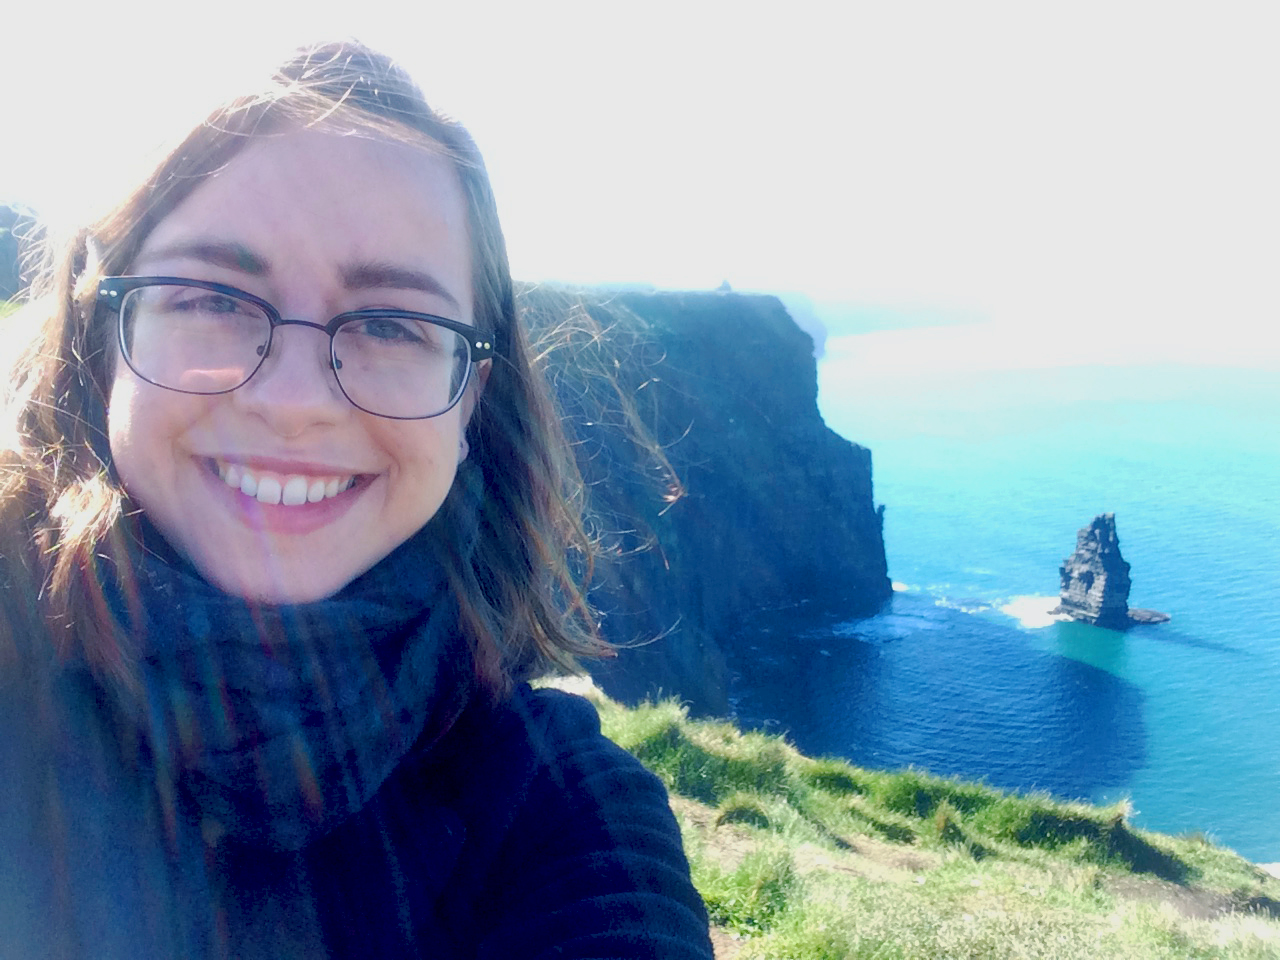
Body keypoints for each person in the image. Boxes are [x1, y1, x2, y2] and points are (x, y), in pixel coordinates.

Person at [0, 41, 713, 959]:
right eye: (213, 295)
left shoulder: (559, 813)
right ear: (106, 337)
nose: (294, 404)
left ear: (471, 401)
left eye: (388, 324)